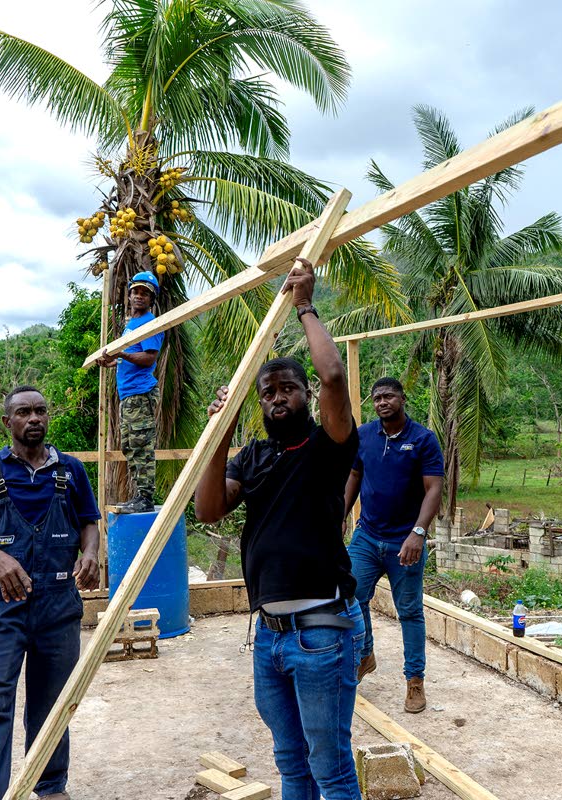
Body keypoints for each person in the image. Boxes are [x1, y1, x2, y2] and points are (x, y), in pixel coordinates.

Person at [194, 257, 364, 800]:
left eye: (287, 388)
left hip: (321, 632)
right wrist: (219, 433)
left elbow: (335, 376)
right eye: (267, 393)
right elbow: (209, 509)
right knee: (291, 764)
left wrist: (305, 305)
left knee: (330, 767)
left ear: (305, 396)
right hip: (268, 636)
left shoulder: (327, 448)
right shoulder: (253, 457)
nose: (277, 398)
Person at [0, 386, 101, 800]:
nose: (33, 418)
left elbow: (89, 522)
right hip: (3, 612)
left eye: (40, 411)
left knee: (52, 706)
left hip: (58, 611)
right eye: (23, 412)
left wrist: (90, 552)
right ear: (8, 422)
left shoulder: (70, 471)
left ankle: (50, 785)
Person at [343, 377, 443, 713]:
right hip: (367, 536)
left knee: (410, 612)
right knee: (351, 596)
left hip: (405, 541)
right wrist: (341, 514)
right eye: (376, 398)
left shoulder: (423, 440)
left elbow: (433, 489)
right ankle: (365, 654)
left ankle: (415, 682)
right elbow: (354, 476)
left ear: (402, 398)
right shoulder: (365, 436)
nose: (382, 402)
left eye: (388, 396)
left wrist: (418, 532)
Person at [97, 271, 164, 514]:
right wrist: (112, 362)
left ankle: (145, 497)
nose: (138, 296)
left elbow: (148, 359)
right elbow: (130, 359)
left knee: (141, 445)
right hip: (128, 396)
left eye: (145, 293)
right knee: (129, 445)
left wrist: (121, 353)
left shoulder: (149, 324)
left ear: (151, 298)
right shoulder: (131, 325)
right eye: (135, 291)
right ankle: (139, 496)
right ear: (129, 295)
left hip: (140, 394)